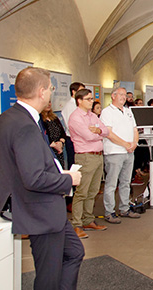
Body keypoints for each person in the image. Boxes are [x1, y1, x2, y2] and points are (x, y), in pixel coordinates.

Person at [0, 67, 84, 290]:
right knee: (49, 276)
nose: (51, 93)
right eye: (51, 88)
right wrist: (68, 180)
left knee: (74, 252)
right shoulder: (24, 125)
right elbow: (33, 179)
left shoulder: (10, 117)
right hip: (38, 209)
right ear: (42, 91)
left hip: (39, 206)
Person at [68, 88, 110, 238]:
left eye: (92, 99)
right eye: (89, 99)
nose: (92, 101)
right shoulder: (75, 117)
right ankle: (77, 224)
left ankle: (88, 219)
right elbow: (87, 136)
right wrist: (98, 133)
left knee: (93, 191)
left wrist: (97, 131)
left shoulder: (92, 115)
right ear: (79, 101)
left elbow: (105, 131)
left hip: (98, 156)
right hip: (85, 157)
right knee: (82, 192)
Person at [99, 87, 141, 224]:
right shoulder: (106, 112)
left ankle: (124, 208)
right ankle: (109, 212)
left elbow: (135, 129)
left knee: (125, 182)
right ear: (113, 96)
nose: (124, 97)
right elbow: (109, 133)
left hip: (129, 152)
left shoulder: (128, 112)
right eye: (121, 95)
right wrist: (125, 144)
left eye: (125, 95)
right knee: (111, 184)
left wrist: (134, 143)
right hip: (114, 152)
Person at [61, 82, 84, 168]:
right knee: (74, 164)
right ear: (74, 92)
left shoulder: (79, 105)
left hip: (81, 139)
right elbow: (70, 125)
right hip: (72, 139)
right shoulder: (69, 106)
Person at [41, 100, 67, 169]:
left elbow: (63, 133)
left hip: (59, 151)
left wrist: (61, 143)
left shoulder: (54, 118)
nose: (49, 104)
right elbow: (43, 135)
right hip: (49, 151)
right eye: (46, 102)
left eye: (49, 102)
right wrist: (55, 145)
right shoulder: (40, 119)